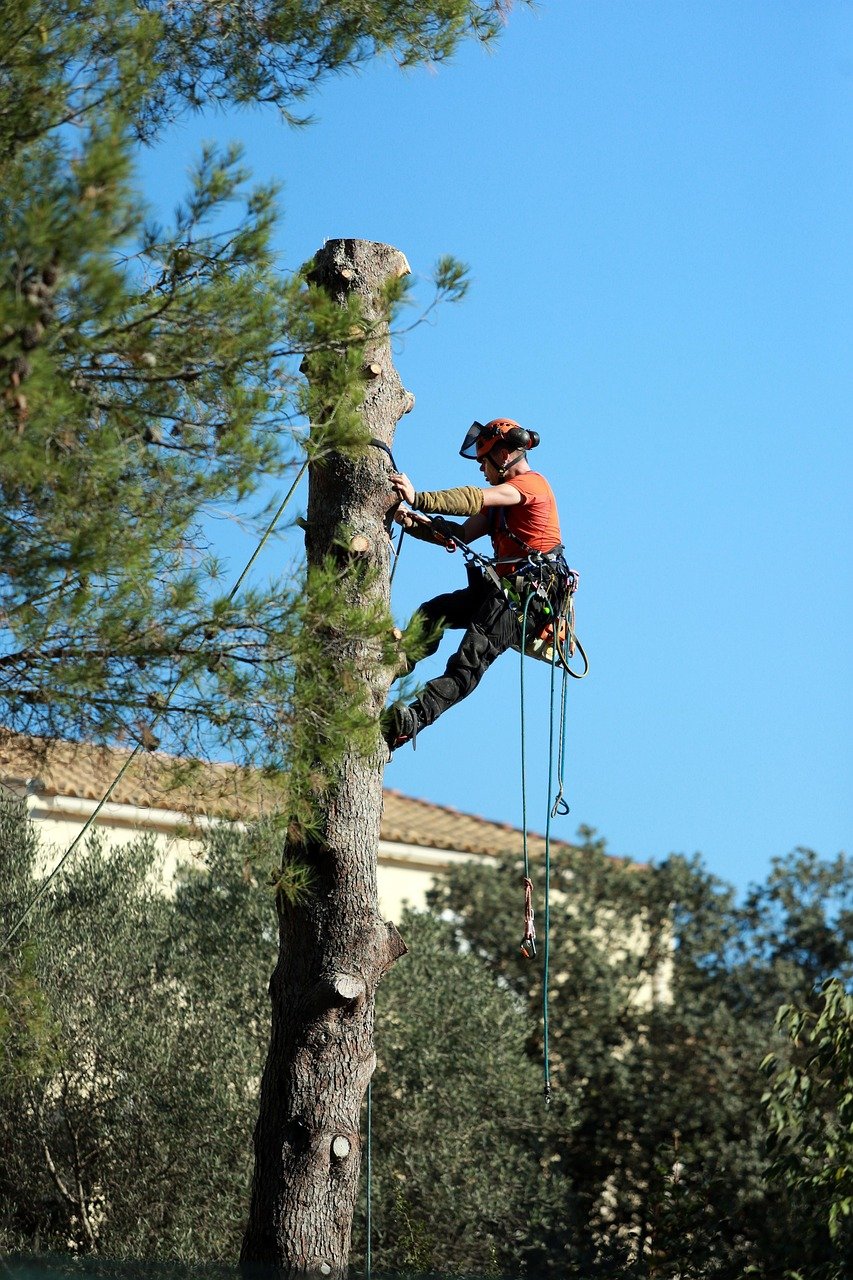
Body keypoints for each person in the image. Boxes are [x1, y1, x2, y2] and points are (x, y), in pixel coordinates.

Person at [383, 417, 566, 751]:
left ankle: (413, 721)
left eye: (484, 460)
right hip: (503, 589)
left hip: (527, 595)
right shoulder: (500, 507)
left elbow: (472, 498)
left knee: (469, 659)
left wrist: (419, 497)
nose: (481, 468)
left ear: (505, 455)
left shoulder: (529, 486)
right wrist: (416, 524)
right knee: (434, 612)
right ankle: (395, 662)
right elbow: (462, 533)